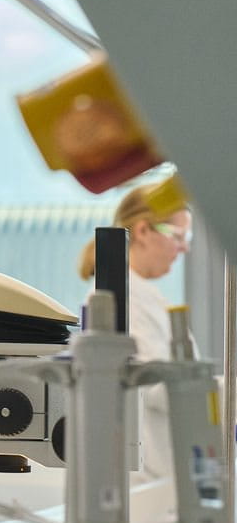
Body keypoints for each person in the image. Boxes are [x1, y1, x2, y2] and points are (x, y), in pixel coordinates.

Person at [77, 183, 193, 485]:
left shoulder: (145, 297)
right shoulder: (118, 299)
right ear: (142, 231)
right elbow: (154, 382)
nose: (184, 248)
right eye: (178, 236)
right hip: (140, 476)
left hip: (160, 471)